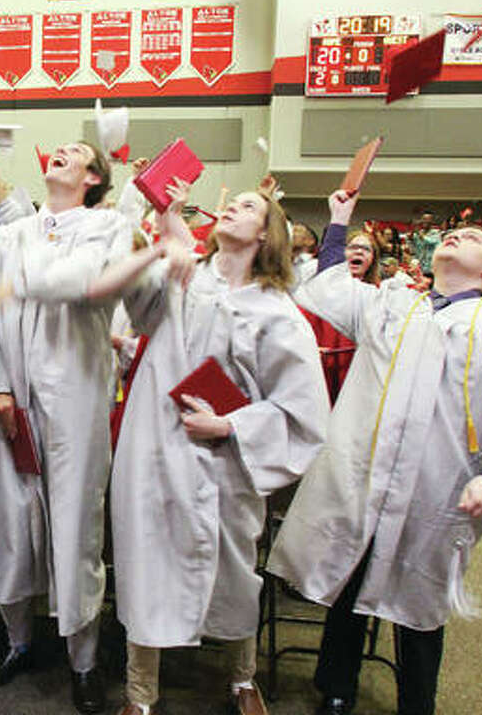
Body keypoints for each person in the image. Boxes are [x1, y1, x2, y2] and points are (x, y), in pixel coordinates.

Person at [267, 191, 482, 715]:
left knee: (420, 602)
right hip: (367, 478)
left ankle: (417, 702)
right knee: (350, 584)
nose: (456, 236)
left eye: (471, 237)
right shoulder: (392, 304)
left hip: (439, 484)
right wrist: (337, 220)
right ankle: (335, 688)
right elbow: (329, 287)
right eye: (453, 232)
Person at [110, 181, 329, 715]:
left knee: (232, 571)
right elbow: (137, 311)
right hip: (156, 445)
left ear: (267, 234)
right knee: (146, 559)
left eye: (250, 206)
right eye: (233, 202)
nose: (233, 206)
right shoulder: (186, 275)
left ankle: (241, 677)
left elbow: (302, 410)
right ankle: (141, 694)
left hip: (225, 461)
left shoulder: (278, 313)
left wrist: (232, 427)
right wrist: (163, 232)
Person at [0, 141, 129, 713]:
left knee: (76, 530)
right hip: (13, 403)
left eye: (77, 152)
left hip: (74, 401)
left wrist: (18, 270)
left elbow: (79, 281)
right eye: (58, 148)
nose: (62, 152)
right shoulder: (10, 236)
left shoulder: (108, 227)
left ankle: (84, 663)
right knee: (9, 526)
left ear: (93, 178)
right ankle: (17, 643)